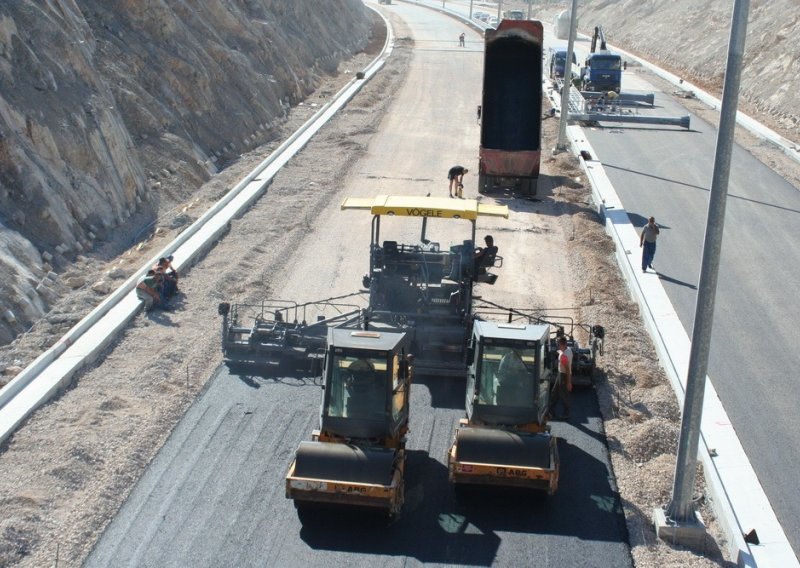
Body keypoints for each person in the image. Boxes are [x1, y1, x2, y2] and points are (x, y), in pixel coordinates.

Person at [549, 336, 573, 420]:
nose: (558, 346)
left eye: (558, 344)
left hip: (563, 375)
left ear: (562, 344)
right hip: (561, 374)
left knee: (563, 395)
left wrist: (569, 382)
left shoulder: (563, 356)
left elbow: (567, 369)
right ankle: (551, 409)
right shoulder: (568, 350)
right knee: (555, 391)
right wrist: (559, 352)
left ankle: (566, 413)